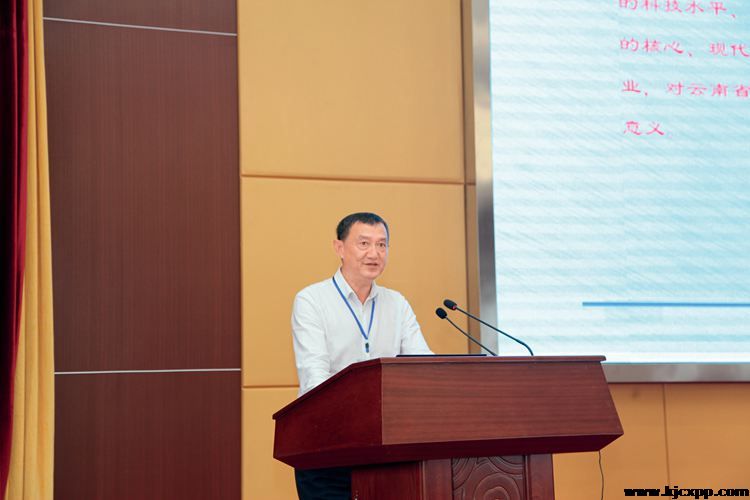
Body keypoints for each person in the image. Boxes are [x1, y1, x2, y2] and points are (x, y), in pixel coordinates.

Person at [290, 212, 433, 500]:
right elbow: (315, 378)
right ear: (339, 248)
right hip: (326, 445)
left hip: (386, 446)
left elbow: (423, 368)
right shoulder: (312, 300)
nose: (374, 253)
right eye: (364, 243)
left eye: (382, 244)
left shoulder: (396, 303)